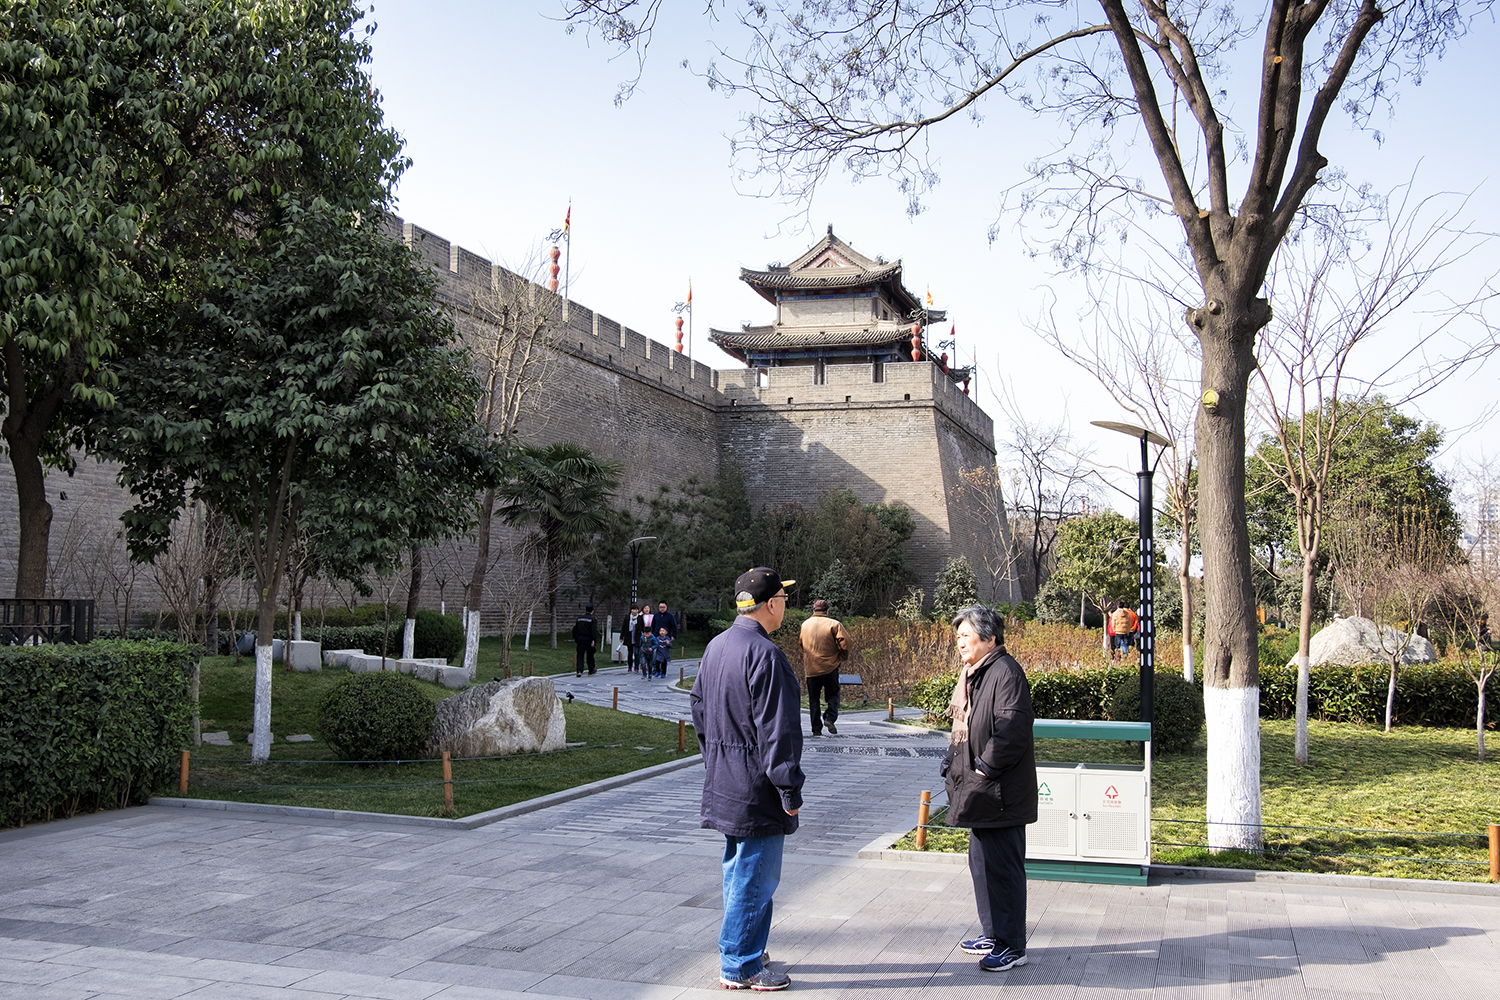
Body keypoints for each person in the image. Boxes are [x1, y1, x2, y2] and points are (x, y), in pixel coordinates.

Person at [690, 567, 804, 992]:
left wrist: (715, 762)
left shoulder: (717, 646)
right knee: (756, 874)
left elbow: (699, 714)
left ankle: (745, 948)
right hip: (757, 786)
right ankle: (741, 964)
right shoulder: (766, 654)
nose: (786, 606)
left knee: (738, 871)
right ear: (771, 603)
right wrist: (789, 788)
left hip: (725, 778)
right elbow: (779, 732)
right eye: (784, 599)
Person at [941, 605, 1037, 973]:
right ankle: (992, 932)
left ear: (989, 637)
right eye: (958, 637)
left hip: (1000, 793)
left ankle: (1011, 945)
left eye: (966, 636)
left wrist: (984, 768)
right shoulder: (975, 674)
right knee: (981, 865)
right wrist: (955, 762)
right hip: (981, 791)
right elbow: (967, 725)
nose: (960, 643)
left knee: (1003, 869)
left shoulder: (1005, 673)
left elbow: (1011, 729)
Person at [799, 598, 850, 736]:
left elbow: (801, 644)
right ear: (827, 611)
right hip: (830, 667)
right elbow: (846, 642)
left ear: (814, 610)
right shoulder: (834, 624)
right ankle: (829, 718)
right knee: (833, 695)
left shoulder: (805, 625)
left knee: (813, 699)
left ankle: (816, 729)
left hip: (811, 669)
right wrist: (841, 656)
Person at [571, 604, 597, 676]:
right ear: (592, 611)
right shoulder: (592, 619)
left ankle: (579, 670)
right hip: (588, 640)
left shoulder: (580, 618)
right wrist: (593, 640)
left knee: (580, 655)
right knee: (590, 655)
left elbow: (575, 629)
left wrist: (575, 638)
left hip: (580, 640)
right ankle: (591, 670)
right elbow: (593, 631)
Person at [625, 603, 641, 672]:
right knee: (629, 654)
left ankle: (636, 667)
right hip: (629, 638)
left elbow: (643, 629)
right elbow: (624, 628)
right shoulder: (627, 617)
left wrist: (645, 639)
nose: (635, 611)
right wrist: (622, 637)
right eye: (634, 609)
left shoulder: (640, 618)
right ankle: (629, 666)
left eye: (637, 609)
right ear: (631, 610)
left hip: (637, 638)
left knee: (637, 653)